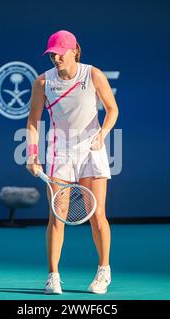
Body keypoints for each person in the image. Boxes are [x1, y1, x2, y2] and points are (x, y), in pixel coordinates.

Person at [26, 30, 119, 294]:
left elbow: (113, 110)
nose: (55, 58)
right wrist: (33, 154)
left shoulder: (93, 75)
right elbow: (33, 122)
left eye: (60, 53)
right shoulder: (43, 82)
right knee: (57, 217)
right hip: (59, 154)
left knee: (97, 214)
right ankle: (53, 276)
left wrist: (102, 134)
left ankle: (104, 270)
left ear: (74, 50)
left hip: (91, 149)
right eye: (52, 54)